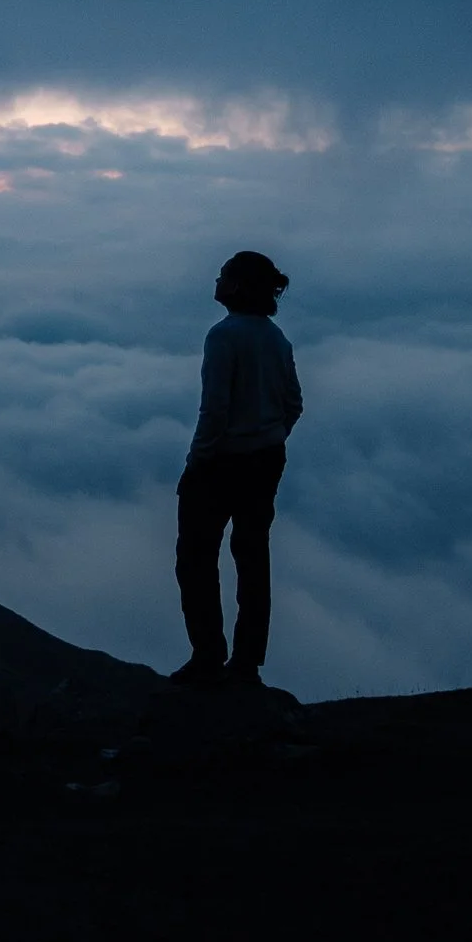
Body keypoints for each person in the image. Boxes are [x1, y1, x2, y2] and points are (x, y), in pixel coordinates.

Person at [170, 251, 303, 689]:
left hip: (221, 462)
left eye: (225, 274)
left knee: (196, 557)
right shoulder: (276, 338)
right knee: (252, 556)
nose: (218, 279)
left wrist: (198, 459)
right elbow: (293, 404)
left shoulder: (223, 337)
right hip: (265, 461)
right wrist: (270, 437)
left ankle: (207, 655)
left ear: (238, 286)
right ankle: (246, 663)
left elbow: (215, 410)